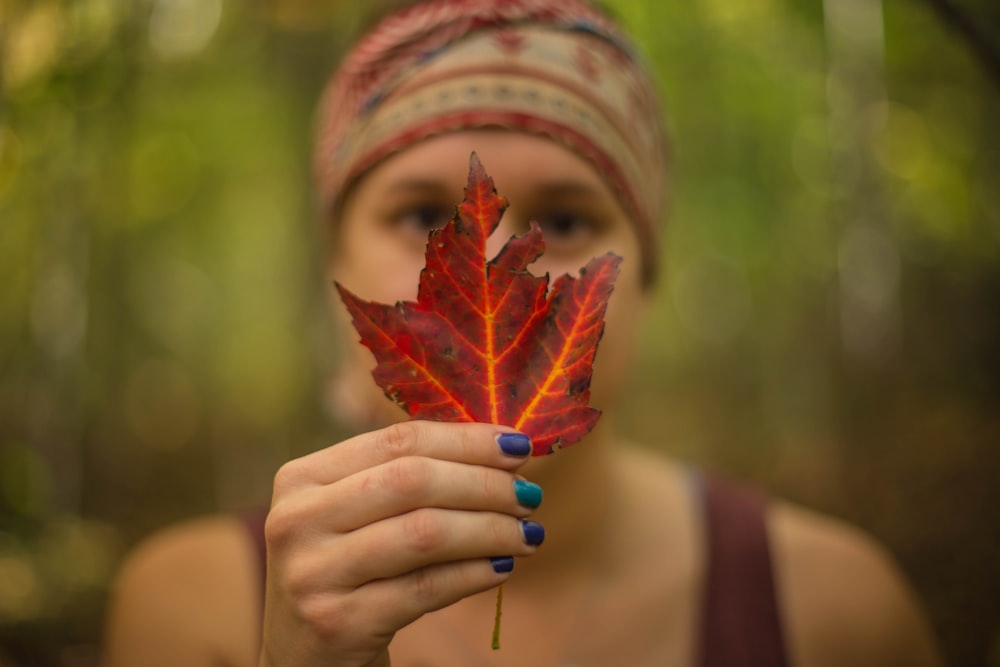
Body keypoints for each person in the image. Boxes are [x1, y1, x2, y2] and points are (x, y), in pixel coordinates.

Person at [103, 1, 943, 666]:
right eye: (425, 214)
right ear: (333, 266)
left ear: (646, 278)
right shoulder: (188, 608)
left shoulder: (839, 612)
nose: (500, 264)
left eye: (567, 218)